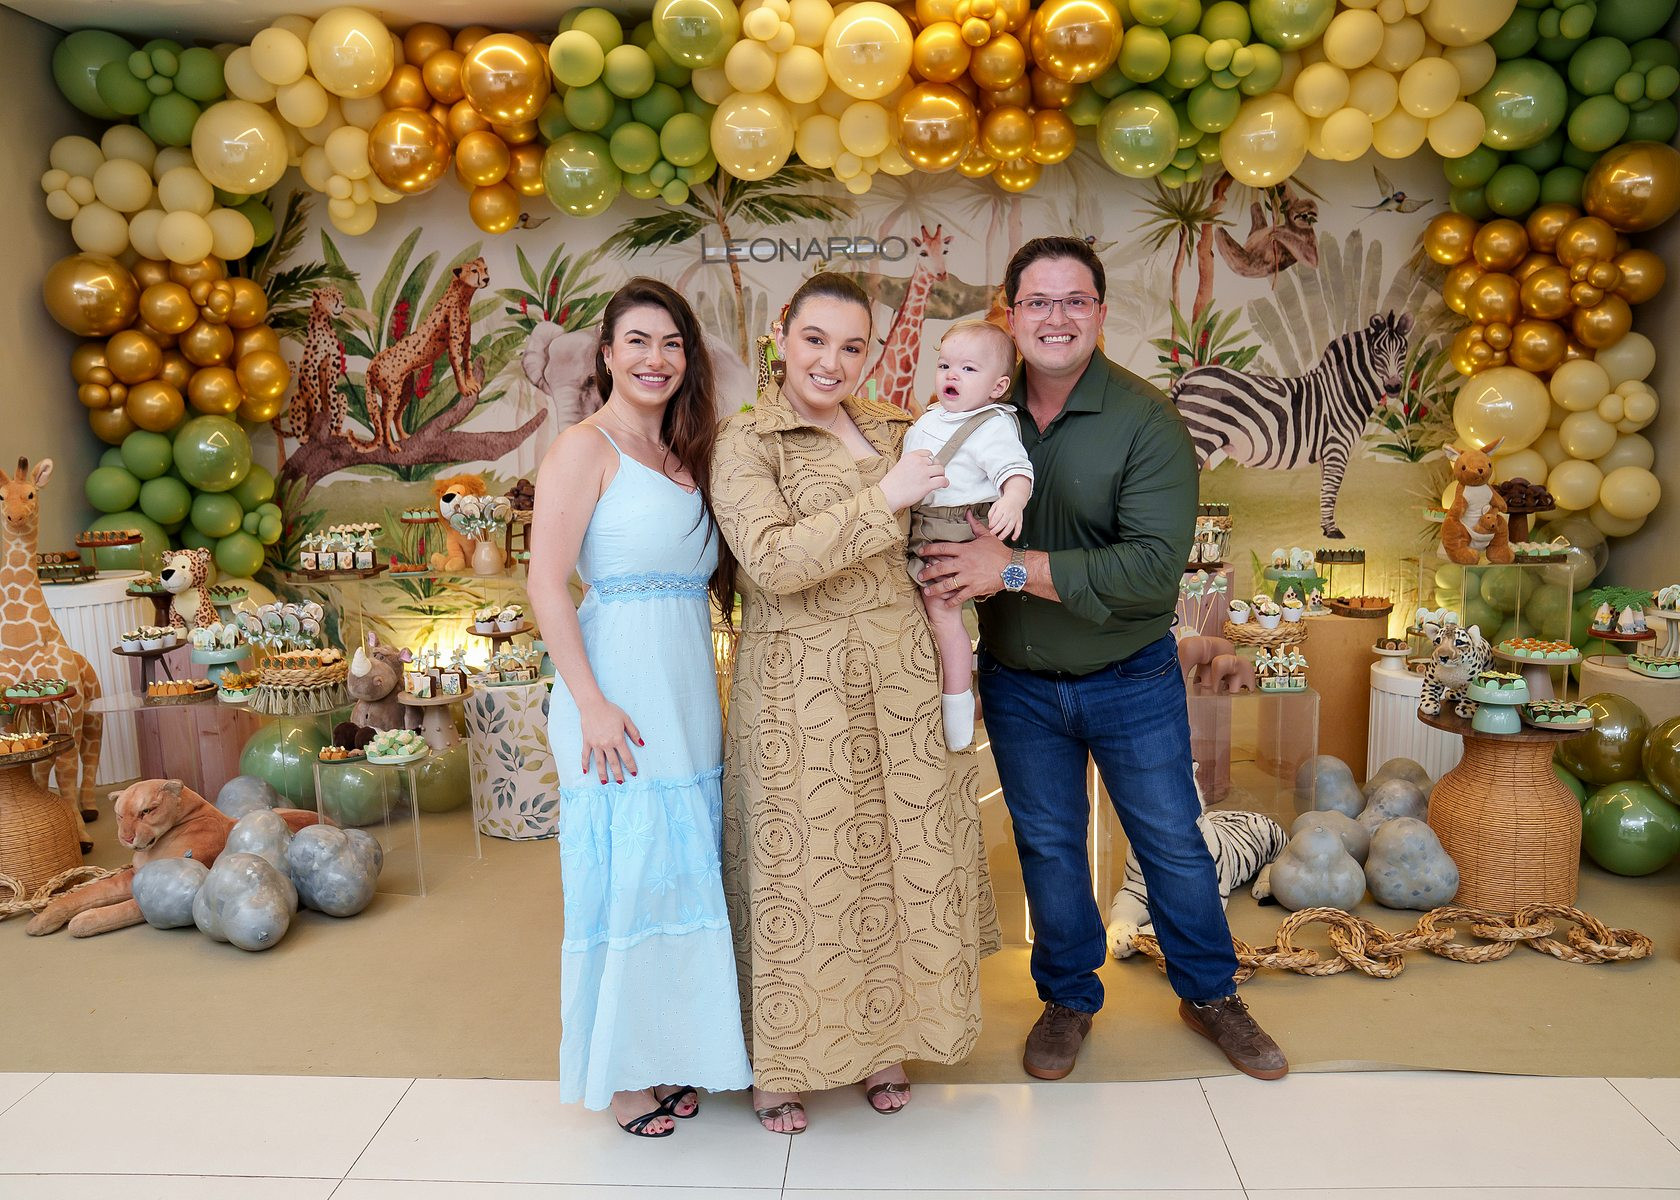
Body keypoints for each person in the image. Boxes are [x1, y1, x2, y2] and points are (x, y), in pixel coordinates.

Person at [917, 236, 1289, 1082]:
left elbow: (1152, 571)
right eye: (1037, 301)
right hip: (1019, 681)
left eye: (1074, 300)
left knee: (1172, 845)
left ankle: (1211, 993)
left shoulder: (1146, 420)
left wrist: (1010, 568)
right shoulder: (974, 408)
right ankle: (1068, 998)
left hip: (1131, 678)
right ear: (1010, 315)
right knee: (1049, 847)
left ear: (1100, 312)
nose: (1056, 317)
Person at [711, 272, 999, 1135]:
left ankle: (885, 1042)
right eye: (814, 340)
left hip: (904, 677)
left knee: (898, 860)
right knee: (804, 868)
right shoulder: (747, 439)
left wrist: (965, 588)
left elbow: (949, 518)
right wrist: (886, 497)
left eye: (851, 346)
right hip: (798, 689)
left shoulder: (896, 427)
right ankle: (783, 1064)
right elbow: (772, 560)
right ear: (781, 335)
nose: (831, 362)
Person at [527, 277, 752, 1138]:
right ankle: (622, 1077)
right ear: (608, 355)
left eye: (672, 343)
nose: (655, 359)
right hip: (614, 690)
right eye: (638, 342)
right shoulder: (583, 448)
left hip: (683, 689)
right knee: (628, 881)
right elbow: (545, 584)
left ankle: (673, 1050)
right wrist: (590, 703)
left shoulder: (690, 454)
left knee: (678, 875)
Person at [903, 320, 1033, 751]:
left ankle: (958, 706)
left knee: (943, 613)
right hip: (919, 520)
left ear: (998, 387)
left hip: (953, 527)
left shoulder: (992, 425)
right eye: (945, 365)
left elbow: (1016, 470)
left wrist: (1012, 500)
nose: (952, 375)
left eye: (968, 369)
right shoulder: (932, 416)